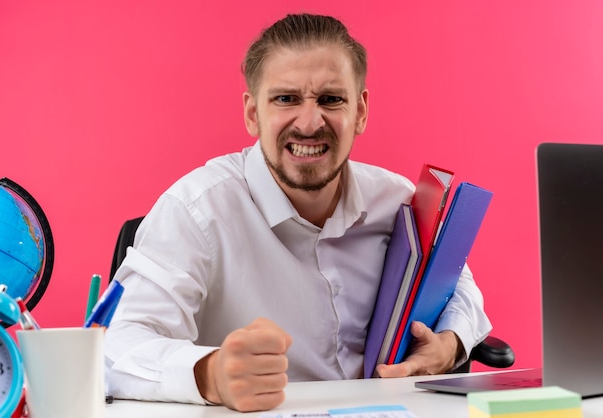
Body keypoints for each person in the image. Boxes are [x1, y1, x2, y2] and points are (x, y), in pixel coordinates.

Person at [104, 13, 492, 413]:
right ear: (253, 113)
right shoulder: (196, 211)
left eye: (331, 99)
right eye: (286, 99)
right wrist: (210, 373)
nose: (309, 123)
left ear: (360, 110)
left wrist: (451, 342)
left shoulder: (398, 202)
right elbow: (115, 343)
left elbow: (459, 284)